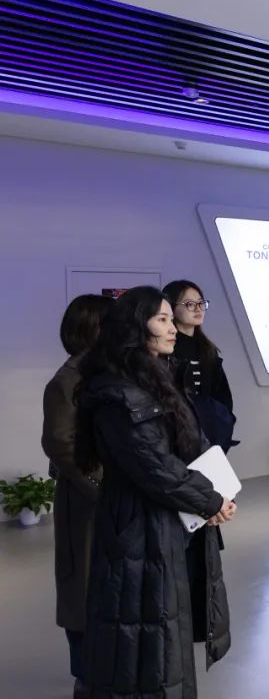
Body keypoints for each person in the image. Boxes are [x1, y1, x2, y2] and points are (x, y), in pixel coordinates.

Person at [75, 286, 237, 699]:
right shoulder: (118, 391)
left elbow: (189, 446)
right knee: (144, 642)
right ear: (136, 327)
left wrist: (218, 493)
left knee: (162, 635)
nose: (172, 328)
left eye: (170, 318)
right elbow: (155, 467)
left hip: (168, 523)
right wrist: (210, 500)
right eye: (162, 319)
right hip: (139, 528)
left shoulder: (156, 378)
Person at [41, 294, 112, 699]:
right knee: (81, 594)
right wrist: (101, 487)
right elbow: (60, 445)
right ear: (92, 330)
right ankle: (86, 678)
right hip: (85, 502)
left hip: (112, 499)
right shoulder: (67, 381)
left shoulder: (108, 372)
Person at [162, 280, 236, 453]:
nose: (198, 309)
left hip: (209, 434)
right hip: (176, 435)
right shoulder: (166, 348)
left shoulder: (207, 349)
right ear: (171, 308)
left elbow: (223, 396)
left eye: (201, 303)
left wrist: (223, 426)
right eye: (189, 304)